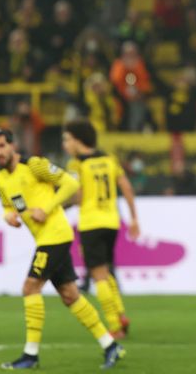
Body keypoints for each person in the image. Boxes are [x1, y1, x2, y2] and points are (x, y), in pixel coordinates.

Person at [0, 128, 125, 369]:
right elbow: (8, 204)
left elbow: (70, 183)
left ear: (12, 145)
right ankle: (110, 345)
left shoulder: (35, 165)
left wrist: (47, 207)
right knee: (70, 295)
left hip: (56, 235)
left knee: (30, 288)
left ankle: (30, 355)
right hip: (44, 239)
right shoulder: (0, 177)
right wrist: (7, 215)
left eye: (1, 146)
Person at [62, 119, 140, 339]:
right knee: (105, 270)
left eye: (67, 139)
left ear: (78, 140)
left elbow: (77, 197)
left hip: (91, 222)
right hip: (111, 221)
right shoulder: (108, 159)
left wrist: (59, 204)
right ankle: (121, 314)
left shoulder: (76, 165)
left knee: (98, 276)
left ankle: (115, 326)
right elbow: (126, 187)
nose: (65, 145)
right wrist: (134, 219)